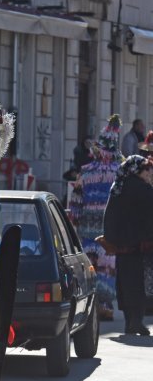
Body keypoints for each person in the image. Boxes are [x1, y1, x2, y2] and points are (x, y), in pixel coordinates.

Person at [69, 114, 123, 321]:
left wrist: (74, 223)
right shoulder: (120, 174)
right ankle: (105, 305)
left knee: (87, 268)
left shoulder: (86, 173)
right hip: (109, 231)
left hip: (86, 231)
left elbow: (75, 204)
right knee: (107, 269)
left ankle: (88, 305)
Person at [103, 155, 153, 335]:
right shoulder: (145, 190)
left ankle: (129, 322)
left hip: (122, 247)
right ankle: (136, 321)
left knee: (125, 283)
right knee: (140, 284)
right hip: (141, 247)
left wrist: (111, 238)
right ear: (137, 171)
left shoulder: (118, 187)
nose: (149, 173)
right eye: (147, 169)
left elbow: (109, 216)